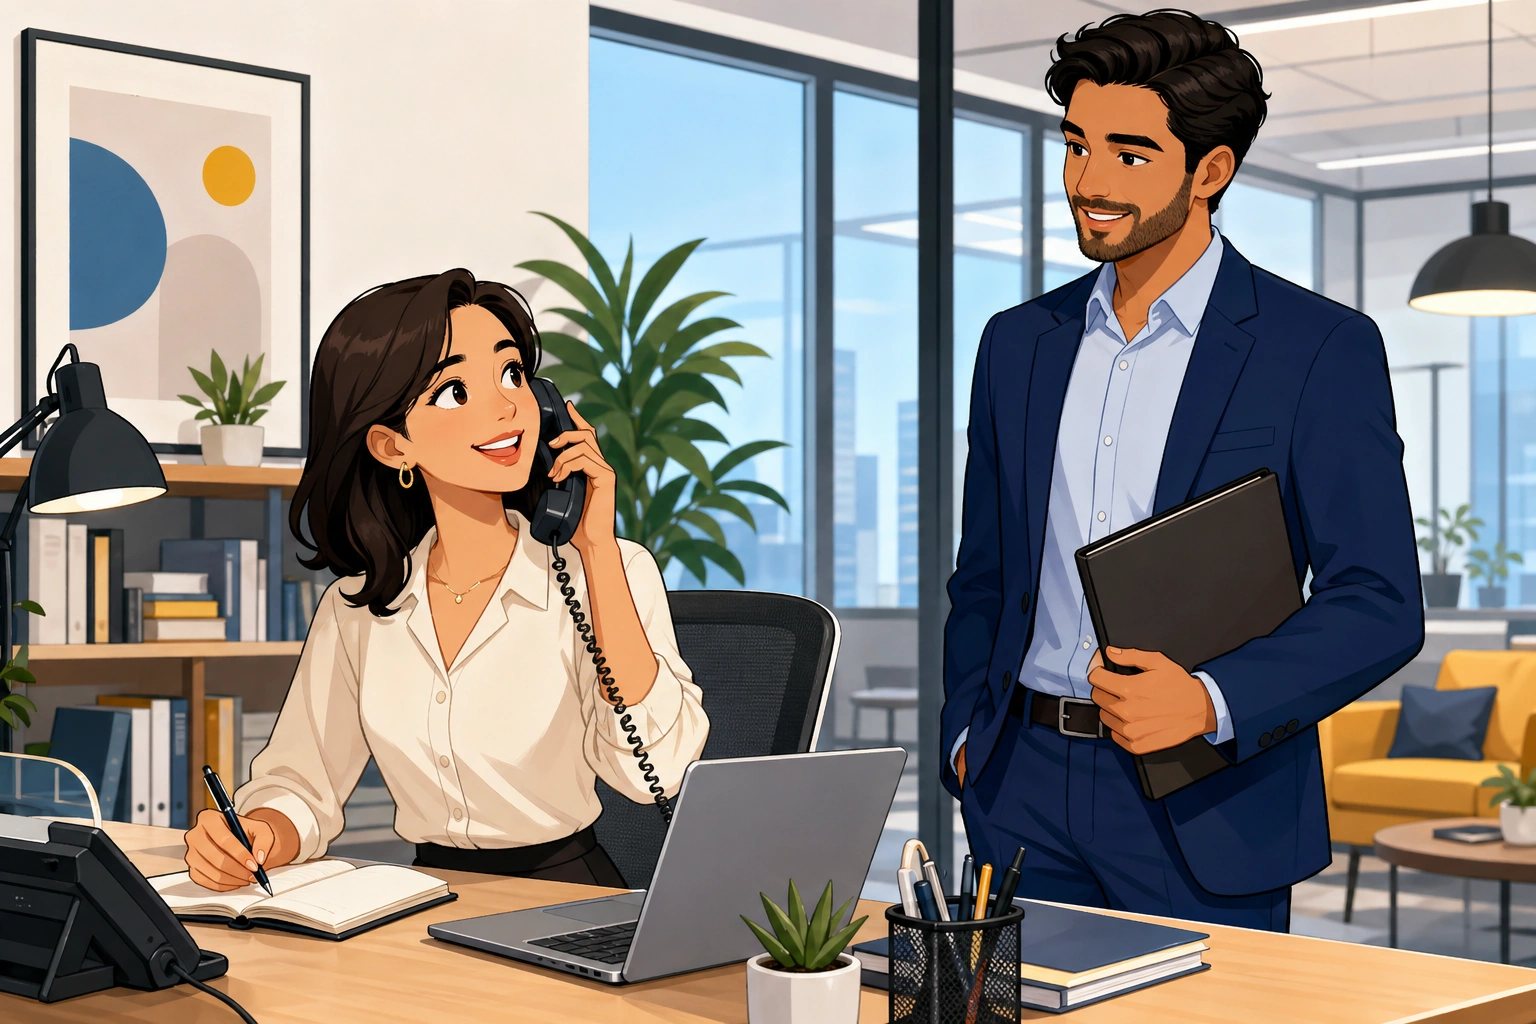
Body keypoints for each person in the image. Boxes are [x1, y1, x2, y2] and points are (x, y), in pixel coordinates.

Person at [943, 10, 1423, 931]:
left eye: (1129, 155)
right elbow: (987, 574)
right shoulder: (1017, 346)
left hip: (1205, 795)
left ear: (1211, 171)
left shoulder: (1317, 347)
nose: (1087, 181)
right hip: (1021, 793)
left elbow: (1378, 600)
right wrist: (969, 738)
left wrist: (1211, 701)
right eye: (1075, 145)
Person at [183, 269, 709, 889]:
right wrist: (259, 835)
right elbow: (302, 781)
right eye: (455, 391)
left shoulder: (606, 571)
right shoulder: (360, 605)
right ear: (391, 446)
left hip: (567, 896)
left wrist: (594, 550)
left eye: (512, 374)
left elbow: (658, 770)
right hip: (428, 900)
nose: (507, 405)